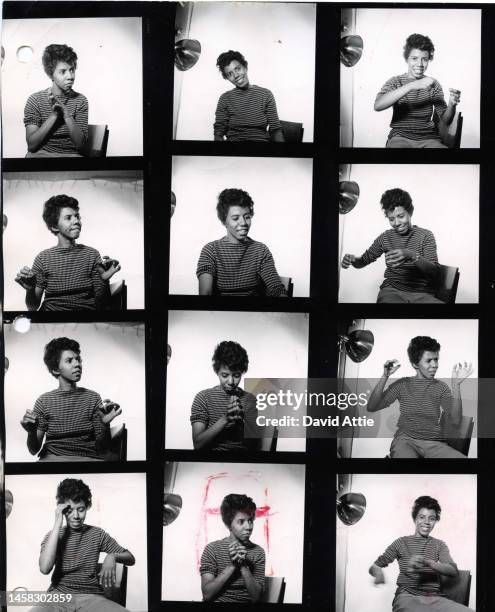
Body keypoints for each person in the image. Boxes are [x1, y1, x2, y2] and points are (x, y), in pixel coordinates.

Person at [29, 478, 135, 611]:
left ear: (87, 507)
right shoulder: (54, 535)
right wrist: (57, 522)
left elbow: (130, 558)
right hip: (58, 596)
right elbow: (44, 569)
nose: (76, 516)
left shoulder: (97, 534)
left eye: (80, 509)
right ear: (61, 509)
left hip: (92, 597)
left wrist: (112, 556)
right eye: (69, 510)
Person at [367, 336, 473, 458]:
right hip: (405, 441)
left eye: (436, 359)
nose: (435, 365)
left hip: (434, 443)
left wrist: (456, 385)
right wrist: (385, 376)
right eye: (429, 361)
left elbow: (455, 420)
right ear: (415, 364)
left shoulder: (441, 387)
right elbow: (372, 407)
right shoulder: (402, 384)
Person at [20, 337, 122, 461]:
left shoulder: (93, 397)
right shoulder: (44, 401)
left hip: (88, 459)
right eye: (69, 360)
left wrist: (104, 425)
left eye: (78, 359)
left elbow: (103, 448)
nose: (77, 364)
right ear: (55, 369)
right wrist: (31, 432)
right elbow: (33, 450)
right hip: (53, 458)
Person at [15, 194, 121, 311]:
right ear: (55, 226)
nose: (76, 221)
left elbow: (103, 306)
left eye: (77, 216)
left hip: (86, 320)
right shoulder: (43, 258)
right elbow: (32, 307)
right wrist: (30, 289)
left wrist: (104, 280)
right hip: (51, 321)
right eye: (68, 218)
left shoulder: (92, 254)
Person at [369, 496, 474, 612]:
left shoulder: (439, 545)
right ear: (415, 519)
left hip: (434, 599)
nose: (426, 522)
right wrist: (378, 573)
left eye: (432, 518)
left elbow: (453, 571)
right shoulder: (401, 542)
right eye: (422, 517)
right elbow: (375, 566)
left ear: (435, 521)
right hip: (407, 597)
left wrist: (429, 563)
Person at [341, 188, 443, 303]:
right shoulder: (385, 237)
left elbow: (435, 272)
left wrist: (412, 255)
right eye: (391, 219)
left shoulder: (425, 235)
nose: (397, 223)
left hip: (422, 293)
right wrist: (353, 259)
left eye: (401, 216)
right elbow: (364, 261)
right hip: (392, 291)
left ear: (410, 212)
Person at [374, 34, 461, 148]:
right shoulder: (396, 81)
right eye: (414, 58)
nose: (420, 64)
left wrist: (452, 104)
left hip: (429, 139)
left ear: (429, 60)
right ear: (407, 59)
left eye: (424, 59)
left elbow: (446, 120)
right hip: (400, 137)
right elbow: (378, 105)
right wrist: (411, 86)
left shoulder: (433, 83)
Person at [197, 188, 287, 297]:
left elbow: (276, 289)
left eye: (247, 217)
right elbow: (205, 294)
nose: (243, 223)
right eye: (235, 218)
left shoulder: (260, 250)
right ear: (224, 221)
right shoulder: (211, 250)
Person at [190, 341, 259, 451]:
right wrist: (225, 419)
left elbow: (255, 446)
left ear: (242, 373)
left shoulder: (249, 399)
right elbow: (198, 444)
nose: (231, 381)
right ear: (217, 372)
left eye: (236, 375)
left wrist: (240, 422)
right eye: (225, 375)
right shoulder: (203, 397)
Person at [24, 44, 88, 157]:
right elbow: (32, 145)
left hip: (72, 157)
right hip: (41, 156)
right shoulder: (35, 100)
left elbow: (81, 146)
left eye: (72, 70)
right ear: (51, 74)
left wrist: (67, 115)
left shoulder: (80, 100)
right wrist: (54, 115)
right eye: (63, 71)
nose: (70, 76)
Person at [200, 493, 265, 603]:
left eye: (250, 521)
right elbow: (207, 594)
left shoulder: (258, 552)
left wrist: (243, 566)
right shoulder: (212, 549)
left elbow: (257, 598)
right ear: (228, 524)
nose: (249, 527)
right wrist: (232, 565)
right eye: (241, 521)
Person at [213, 50, 284, 142]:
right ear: (226, 78)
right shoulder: (225, 98)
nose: (236, 75)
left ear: (245, 67)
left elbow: (276, 130)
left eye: (238, 69)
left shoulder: (266, 94)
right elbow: (218, 134)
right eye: (229, 74)